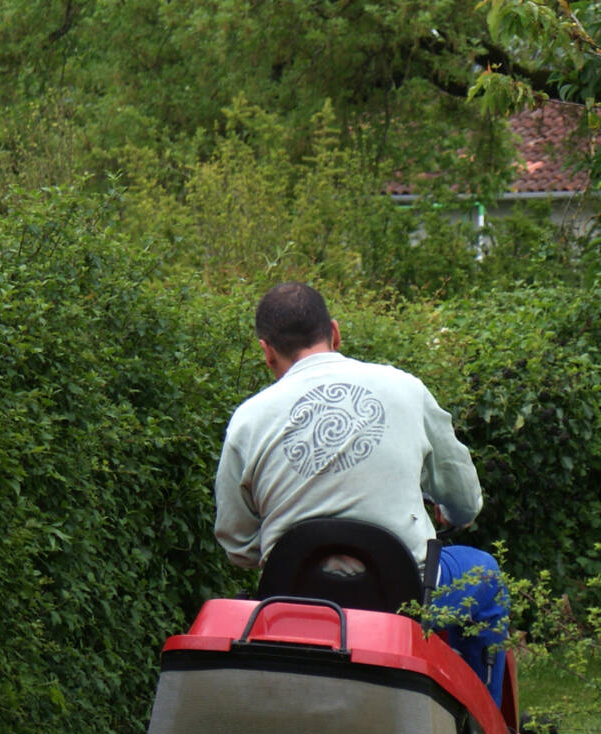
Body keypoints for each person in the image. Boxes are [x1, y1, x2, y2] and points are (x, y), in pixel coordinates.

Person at [214, 282, 509, 704]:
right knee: (485, 574)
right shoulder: (406, 388)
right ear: (334, 332)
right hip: (409, 598)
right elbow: (465, 501)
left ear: (266, 350)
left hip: (293, 604)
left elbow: (237, 545)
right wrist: (450, 514)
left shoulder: (247, 421)